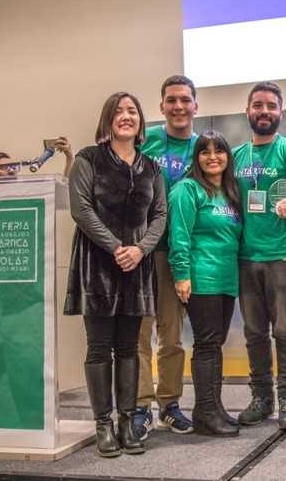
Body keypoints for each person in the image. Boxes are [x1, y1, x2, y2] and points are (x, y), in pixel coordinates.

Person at [64, 92, 165, 457]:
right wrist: (116, 247)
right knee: (99, 347)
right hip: (98, 265)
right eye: (119, 111)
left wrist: (139, 249)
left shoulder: (151, 167)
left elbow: (160, 215)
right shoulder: (88, 159)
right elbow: (81, 209)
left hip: (137, 266)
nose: (126, 116)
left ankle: (127, 420)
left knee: (128, 347)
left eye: (132, 111)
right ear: (108, 119)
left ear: (140, 122)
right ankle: (103, 424)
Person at [232, 82, 286, 430]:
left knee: (285, 330)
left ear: (280, 112)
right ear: (247, 111)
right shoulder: (235, 156)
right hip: (245, 257)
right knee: (253, 332)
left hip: (282, 255)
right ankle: (261, 398)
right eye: (258, 105)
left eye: (271, 106)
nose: (264, 111)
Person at [134, 75, 198, 439]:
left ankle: (170, 405)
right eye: (171, 100)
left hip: (176, 254)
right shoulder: (146, 143)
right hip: (143, 251)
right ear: (161, 106)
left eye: (185, 100)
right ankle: (141, 407)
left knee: (171, 336)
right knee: (140, 335)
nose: (178, 107)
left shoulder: (202, 148)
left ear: (195, 107)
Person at [169, 130, 243, 437]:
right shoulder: (186, 190)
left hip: (226, 280)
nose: (213, 157)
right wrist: (181, 275)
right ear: (196, 158)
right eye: (205, 151)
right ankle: (204, 413)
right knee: (206, 345)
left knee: (215, 345)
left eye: (219, 151)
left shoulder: (230, 192)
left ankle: (214, 407)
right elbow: (179, 236)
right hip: (201, 280)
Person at [0, 137, 74, 178]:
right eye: (4, 167)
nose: (11, 171)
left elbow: (65, 190)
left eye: (14, 167)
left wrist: (69, 158)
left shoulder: (27, 192)